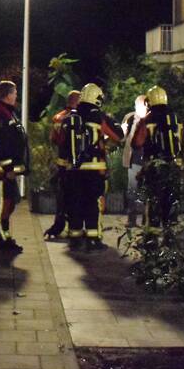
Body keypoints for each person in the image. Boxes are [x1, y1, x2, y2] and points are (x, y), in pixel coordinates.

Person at [57, 83, 123, 250]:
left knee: (75, 202)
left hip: (73, 169)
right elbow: (118, 136)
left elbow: (61, 143)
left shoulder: (69, 116)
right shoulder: (99, 116)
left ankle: (75, 238)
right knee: (93, 203)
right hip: (94, 168)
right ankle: (93, 239)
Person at [0, 80, 28, 252]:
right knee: (3, 203)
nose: (16, 95)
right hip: (1, 170)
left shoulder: (4, 111)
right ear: (8, 95)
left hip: (4, 169)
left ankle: (0, 233)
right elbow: (2, 143)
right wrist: (8, 168)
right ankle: (2, 238)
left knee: (8, 202)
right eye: (15, 93)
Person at [138, 85, 182, 226]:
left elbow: (138, 142)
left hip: (154, 166)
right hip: (174, 164)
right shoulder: (174, 118)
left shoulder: (147, 119)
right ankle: (170, 234)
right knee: (170, 199)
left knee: (154, 200)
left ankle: (152, 238)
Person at [44, 89, 81, 240]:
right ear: (77, 101)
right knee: (74, 197)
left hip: (61, 163)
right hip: (75, 165)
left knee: (62, 197)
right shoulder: (78, 118)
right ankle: (74, 228)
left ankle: (59, 224)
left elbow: (53, 139)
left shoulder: (58, 118)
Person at [120, 94, 149, 227]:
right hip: (134, 160)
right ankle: (131, 219)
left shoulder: (150, 119)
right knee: (132, 190)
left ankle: (146, 218)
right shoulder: (130, 118)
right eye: (137, 105)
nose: (138, 108)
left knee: (145, 190)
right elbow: (123, 136)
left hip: (147, 160)